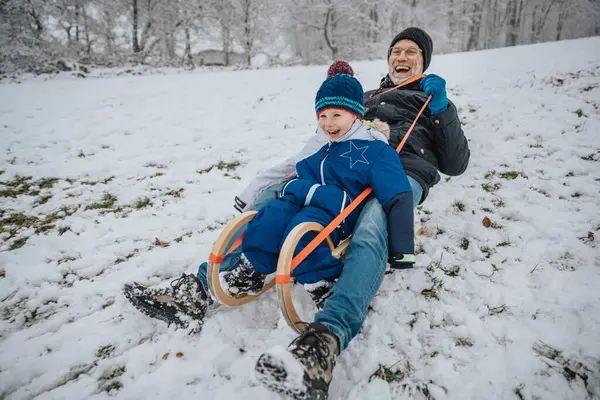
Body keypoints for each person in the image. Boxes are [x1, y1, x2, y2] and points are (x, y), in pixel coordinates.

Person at [123, 27, 470, 400]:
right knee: (275, 197)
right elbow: (331, 133)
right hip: (345, 170)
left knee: (371, 226)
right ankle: (204, 288)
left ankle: (324, 344)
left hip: (399, 171)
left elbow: (456, 162)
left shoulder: (433, 99)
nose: (402, 57)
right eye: (396, 51)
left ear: (424, 60)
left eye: (411, 52)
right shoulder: (369, 96)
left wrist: (442, 110)